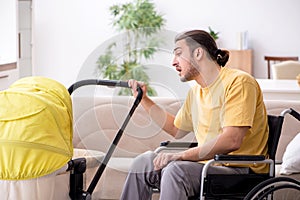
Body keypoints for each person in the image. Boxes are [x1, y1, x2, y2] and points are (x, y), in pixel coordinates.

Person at [120, 29, 269, 200]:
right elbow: (176, 129)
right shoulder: (196, 92)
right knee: (143, 162)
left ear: (198, 53)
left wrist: (180, 156)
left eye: (178, 54)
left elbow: (232, 139)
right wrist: (144, 99)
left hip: (240, 171)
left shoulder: (239, 82)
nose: (173, 62)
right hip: (208, 166)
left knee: (175, 170)